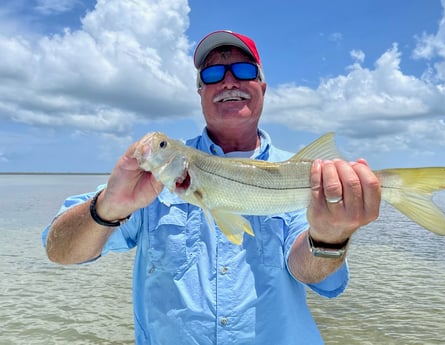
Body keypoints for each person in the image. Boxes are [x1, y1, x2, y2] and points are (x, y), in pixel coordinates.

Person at [42, 30, 381, 344]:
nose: (229, 82)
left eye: (244, 71)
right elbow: (60, 251)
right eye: (213, 74)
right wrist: (107, 209)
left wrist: (329, 236)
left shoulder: (305, 173)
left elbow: (312, 274)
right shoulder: (146, 184)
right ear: (201, 92)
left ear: (263, 87)